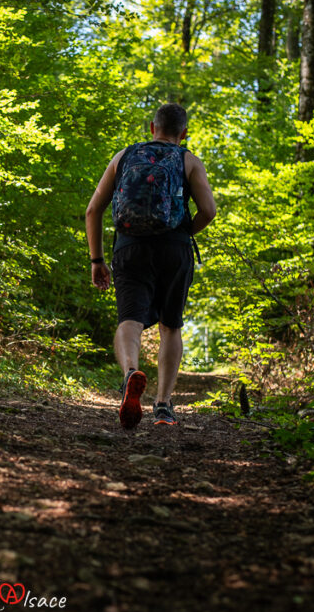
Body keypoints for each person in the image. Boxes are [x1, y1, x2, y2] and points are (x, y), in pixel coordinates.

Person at [84, 103, 216, 429]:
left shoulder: (123, 157)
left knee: (129, 319)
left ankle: (131, 372)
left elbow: (93, 211)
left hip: (130, 248)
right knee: (171, 325)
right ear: (183, 133)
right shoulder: (189, 160)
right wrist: (184, 231)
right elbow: (209, 211)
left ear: (152, 128)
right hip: (175, 248)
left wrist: (97, 260)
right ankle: (163, 406)